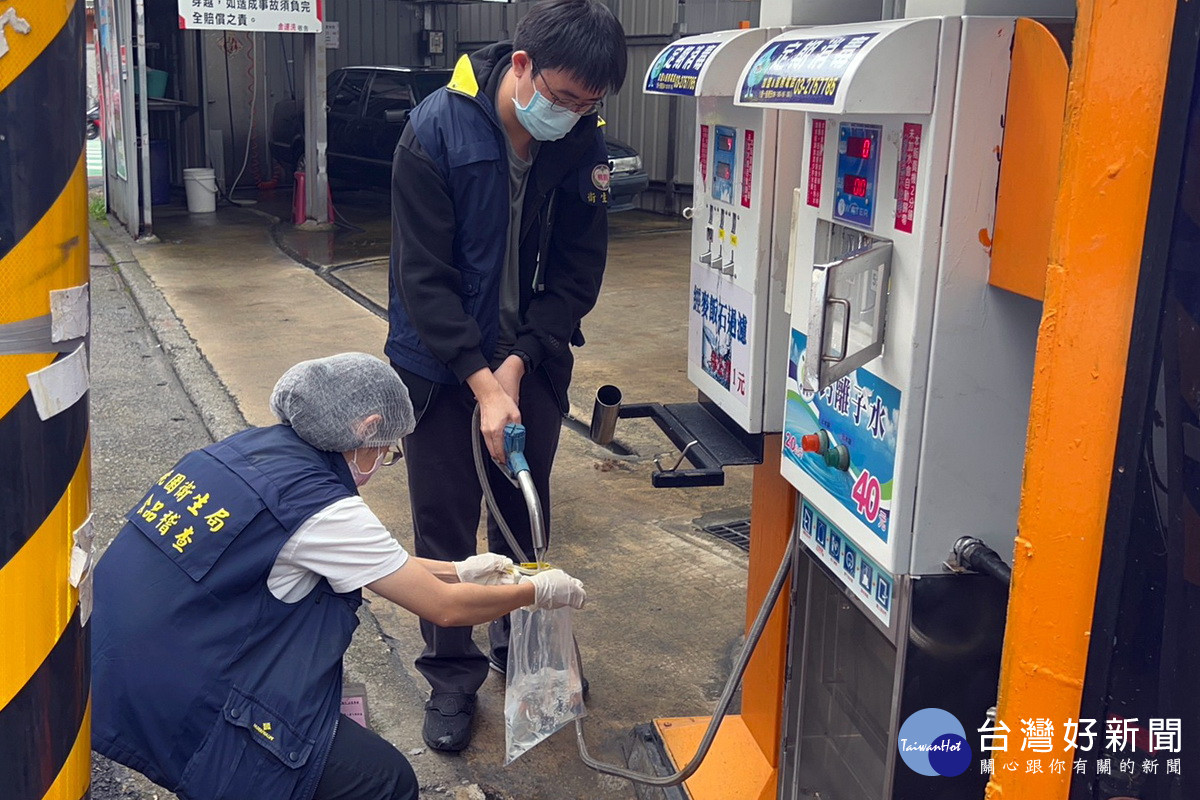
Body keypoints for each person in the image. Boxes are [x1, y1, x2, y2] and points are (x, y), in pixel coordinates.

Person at [91, 353, 586, 800]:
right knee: (385, 781)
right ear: (367, 427)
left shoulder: (240, 452)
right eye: (387, 451)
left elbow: (378, 563)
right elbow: (445, 608)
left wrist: (461, 568)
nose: (382, 463)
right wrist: (536, 591)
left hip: (106, 662)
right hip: (180, 701)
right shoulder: (320, 506)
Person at [385, 0, 626, 753]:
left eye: (591, 105)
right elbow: (423, 281)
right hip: (438, 365)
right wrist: (482, 381)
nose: (574, 115)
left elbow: (577, 271)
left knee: (523, 513)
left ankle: (521, 652)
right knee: (447, 525)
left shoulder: (580, 144)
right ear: (521, 66)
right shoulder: (434, 131)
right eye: (563, 98)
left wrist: (520, 363)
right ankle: (451, 678)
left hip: (533, 361)